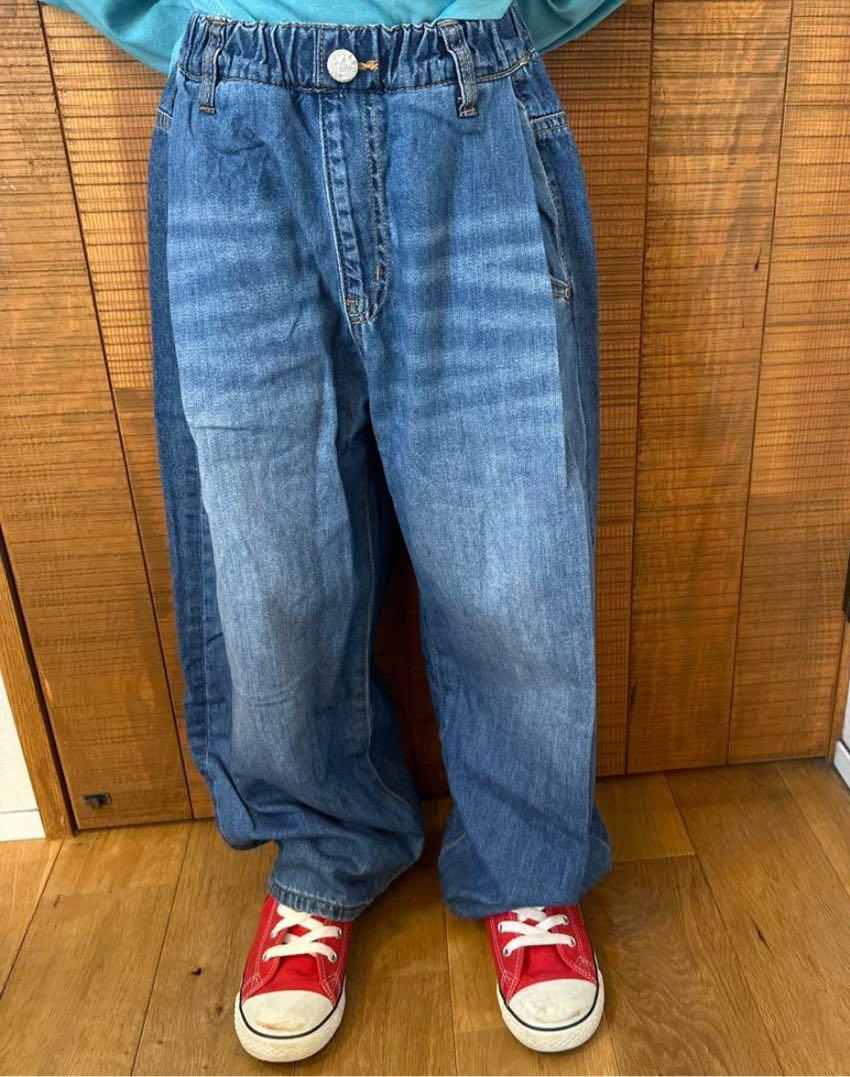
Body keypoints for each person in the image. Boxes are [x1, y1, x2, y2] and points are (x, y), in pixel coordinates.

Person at [43, 0, 622, 1060]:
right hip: (237, 112)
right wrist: (196, 27)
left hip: (466, 97)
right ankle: (323, 845)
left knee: (511, 543)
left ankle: (529, 865)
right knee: (269, 555)